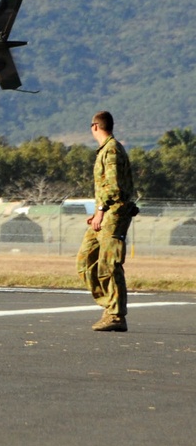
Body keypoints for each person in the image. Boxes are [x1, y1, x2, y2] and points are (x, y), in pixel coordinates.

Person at [76, 111, 136, 332]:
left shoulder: (111, 150)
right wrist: (97, 212)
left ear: (94, 127)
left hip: (113, 215)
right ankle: (109, 305)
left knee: (109, 264)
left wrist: (100, 211)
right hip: (104, 213)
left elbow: (114, 186)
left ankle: (116, 315)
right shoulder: (107, 149)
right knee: (85, 262)